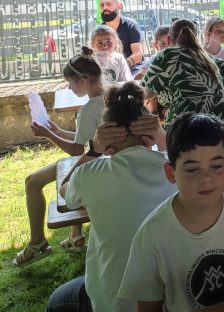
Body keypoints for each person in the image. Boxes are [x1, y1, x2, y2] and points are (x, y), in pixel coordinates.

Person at [118, 113, 224, 311]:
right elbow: (148, 307)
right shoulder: (152, 235)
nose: (206, 178)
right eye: (192, 169)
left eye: (216, 166)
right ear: (171, 173)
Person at [46, 82, 176, 312]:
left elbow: (65, 190)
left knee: (57, 300)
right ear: (148, 133)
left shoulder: (89, 175)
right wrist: (161, 136)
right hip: (170, 297)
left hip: (112, 301)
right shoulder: (176, 172)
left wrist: (93, 149)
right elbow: (179, 162)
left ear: (107, 141)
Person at [14, 48, 106, 266]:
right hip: (101, 161)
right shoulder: (109, 98)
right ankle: (71, 237)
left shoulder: (89, 109)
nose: (69, 87)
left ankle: (37, 242)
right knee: (39, 180)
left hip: (94, 166)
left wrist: (48, 135)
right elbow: (89, 138)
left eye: (70, 82)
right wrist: (57, 131)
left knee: (32, 182)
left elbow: (77, 151)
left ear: (83, 80)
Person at [142, 19, 224, 130]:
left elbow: (144, 93)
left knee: (148, 131)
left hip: (187, 126)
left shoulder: (167, 55)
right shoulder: (204, 56)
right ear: (195, 38)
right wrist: (208, 82)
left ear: (169, 39)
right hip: (221, 125)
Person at [99, 0, 144, 74]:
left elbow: (138, 54)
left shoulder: (131, 26)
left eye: (108, 4)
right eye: (102, 5)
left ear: (120, 6)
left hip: (132, 68)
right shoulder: (99, 30)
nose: (105, 7)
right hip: (108, 70)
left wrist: (122, 66)